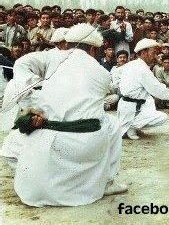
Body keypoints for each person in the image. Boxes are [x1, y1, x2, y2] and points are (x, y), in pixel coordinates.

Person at [0, 23, 126, 207]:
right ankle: (107, 181)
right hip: (86, 144)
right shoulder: (102, 72)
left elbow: (20, 63)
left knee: (12, 144)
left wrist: (35, 93)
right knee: (113, 125)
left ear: (68, 43)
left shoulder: (54, 57)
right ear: (92, 49)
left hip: (49, 137)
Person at [117, 38, 169, 140]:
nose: (155, 56)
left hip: (129, 106)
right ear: (144, 53)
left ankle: (131, 126)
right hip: (130, 107)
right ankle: (130, 126)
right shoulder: (141, 69)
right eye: (153, 52)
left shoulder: (132, 64)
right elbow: (158, 91)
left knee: (150, 106)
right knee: (162, 117)